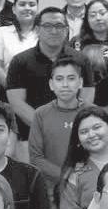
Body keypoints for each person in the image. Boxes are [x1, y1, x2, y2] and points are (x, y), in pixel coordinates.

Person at [7, 9, 82, 138]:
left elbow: (86, 98)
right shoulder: (20, 61)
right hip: (30, 136)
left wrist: (68, 126)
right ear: (37, 30)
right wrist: (47, 127)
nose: (54, 31)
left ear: (66, 30)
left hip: (74, 135)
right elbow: (17, 103)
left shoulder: (81, 60)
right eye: (47, 26)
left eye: (59, 26)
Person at [26, 57, 89, 187]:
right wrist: (66, 176)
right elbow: (36, 158)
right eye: (59, 79)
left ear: (80, 82)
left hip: (88, 185)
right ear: (51, 84)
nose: (65, 84)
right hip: (52, 188)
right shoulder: (41, 114)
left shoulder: (93, 113)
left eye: (71, 78)